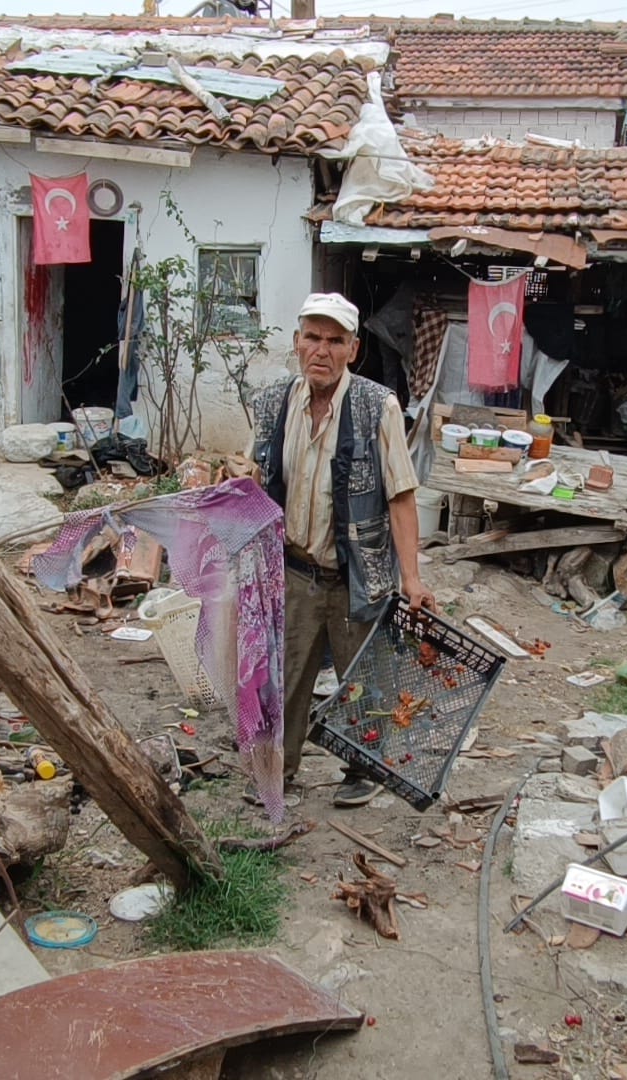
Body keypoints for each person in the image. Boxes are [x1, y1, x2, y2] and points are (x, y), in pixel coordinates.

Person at [247, 292, 436, 809]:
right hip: (296, 569)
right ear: (297, 343)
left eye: (335, 341)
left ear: (353, 349)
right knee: (285, 678)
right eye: (313, 337)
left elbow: (400, 496)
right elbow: (257, 478)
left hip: (358, 572)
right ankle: (279, 771)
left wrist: (412, 580)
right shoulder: (272, 404)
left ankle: (362, 768)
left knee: (362, 680)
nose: (321, 351)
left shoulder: (379, 406)